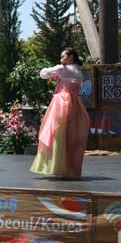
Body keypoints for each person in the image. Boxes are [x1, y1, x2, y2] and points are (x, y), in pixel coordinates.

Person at [30, 48, 90, 179]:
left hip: (62, 102)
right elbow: (70, 80)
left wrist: (55, 73)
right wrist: (59, 77)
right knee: (70, 136)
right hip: (75, 104)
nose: (61, 59)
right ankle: (69, 169)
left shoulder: (63, 68)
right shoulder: (78, 70)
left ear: (71, 57)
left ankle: (59, 167)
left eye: (63, 56)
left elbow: (43, 74)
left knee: (57, 134)